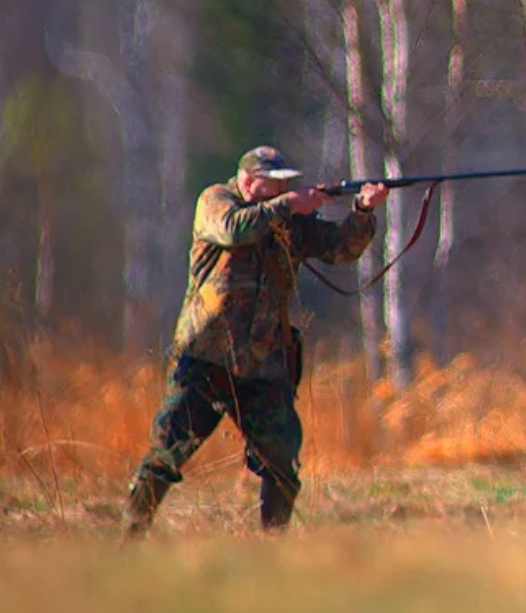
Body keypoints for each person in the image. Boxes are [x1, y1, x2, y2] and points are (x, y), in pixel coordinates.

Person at [121, 145, 388, 540]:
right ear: (246, 182)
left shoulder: (288, 220)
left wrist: (363, 211)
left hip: (263, 363)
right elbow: (234, 229)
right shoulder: (216, 201)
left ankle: (271, 547)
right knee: (167, 451)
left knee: (282, 461)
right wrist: (289, 205)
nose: (282, 190)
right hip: (206, 358)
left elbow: (340, 248)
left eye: (285, 184)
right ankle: (130, 538)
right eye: (273, 183)